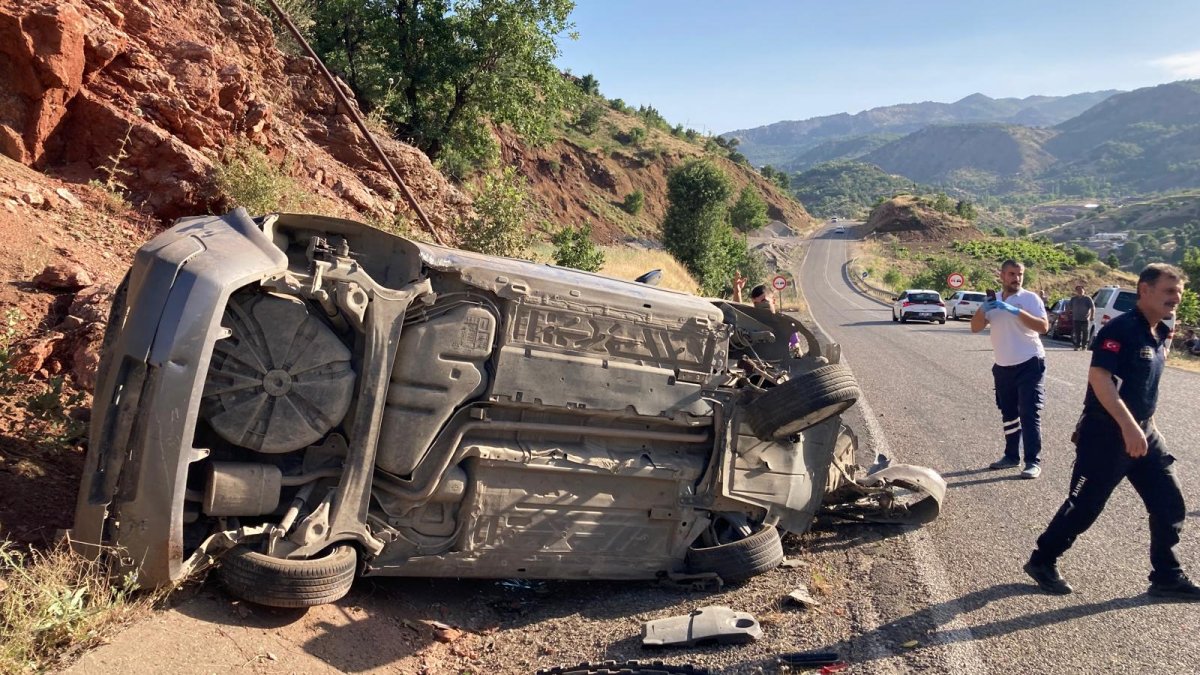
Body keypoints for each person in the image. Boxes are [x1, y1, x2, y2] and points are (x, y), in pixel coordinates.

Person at [1024, 263, 1198, 600]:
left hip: (1144, 432)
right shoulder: (1120, 330)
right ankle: (1042, 560)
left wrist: (1146, 426)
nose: (1176, 298)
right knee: (1084, 506)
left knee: (1169, 503)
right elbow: (1100, 378)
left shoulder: (1159, 332)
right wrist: (1129, 427)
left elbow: (1142, 387)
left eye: (1179, 292)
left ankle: (1167, 577)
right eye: (1169, 291)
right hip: (1106, 435)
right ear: (1144, 290)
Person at [970, 259, 1050, 479]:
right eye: (1012, 274)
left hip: (1030, 362)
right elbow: (975, 328)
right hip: (1003, 366)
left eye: (1020, 274)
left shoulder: (1029, 299)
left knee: (1029, 411)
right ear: (1002, 276)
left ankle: (1032, 461)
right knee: (1009, 413)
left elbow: (1043, 327)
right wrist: (982, 309)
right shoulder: (992, 300)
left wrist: (1014, 310)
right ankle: (1011, 456)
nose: (1016, 278)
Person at [1068, 285, 1095, 351]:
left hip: (1085, 319)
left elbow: (1092, 307)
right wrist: (1066, 315)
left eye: (1081, 290)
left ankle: (1084, 346)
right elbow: (1069, 307)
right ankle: (1077, 346)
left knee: (1085, 333)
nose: (1080, 291)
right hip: (1076, 318)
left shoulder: (1088, 299)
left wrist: (1092, 316)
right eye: (1078, 290)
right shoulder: (1073, 299)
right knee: (1077, 333)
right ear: (1076, 291)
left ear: (1084, 290)